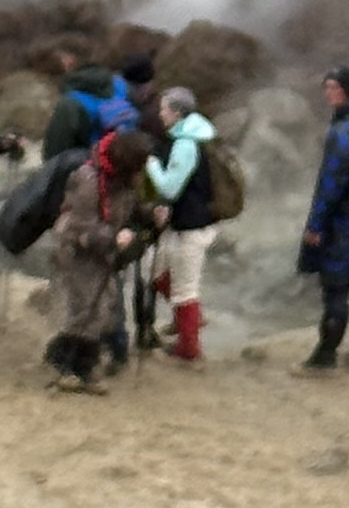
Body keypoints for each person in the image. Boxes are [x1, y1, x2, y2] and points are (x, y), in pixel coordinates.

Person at [45, 126, 153, 391]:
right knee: (88, 308)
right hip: (77, 251)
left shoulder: (123, 178)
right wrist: (114, 238)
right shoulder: (89, 180)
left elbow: (132, 205)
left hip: (102, 253)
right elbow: (81, 227)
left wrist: (150, 215)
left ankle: (64, 357)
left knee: (104, 308)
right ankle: (75, 368)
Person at [298, 67, 349, 372]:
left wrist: (315, 225)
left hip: (342, 220)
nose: (327, 93)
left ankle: (326, 354)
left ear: (346, 90)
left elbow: (331, 184)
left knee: (335, 287)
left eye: (332, 87)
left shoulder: (344, 131)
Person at [142, 84, 221, 364]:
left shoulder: (185, 144)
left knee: (185, 288)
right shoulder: (193, 136)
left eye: (164, 109)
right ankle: (190, 319)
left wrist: (151, 164)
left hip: (191, 227)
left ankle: (189, 349)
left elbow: (170, 187)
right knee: (157, 271)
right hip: (186, 222)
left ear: (177, 112)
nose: (160, 114)